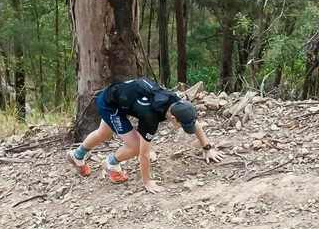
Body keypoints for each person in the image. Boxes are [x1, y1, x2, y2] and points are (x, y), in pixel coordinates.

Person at [66, 77, 224, 193]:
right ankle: (111, 164)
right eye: (182, 126)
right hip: (109, 104)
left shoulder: (177, 102)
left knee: (104, 133)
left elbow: (192, 121)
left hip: (120, 96)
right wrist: (147, 181)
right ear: (173, 118)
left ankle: (77, 155)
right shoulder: (151, 116)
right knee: (134, 146)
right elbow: (144, 153)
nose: (184, 127)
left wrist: (207, 148)